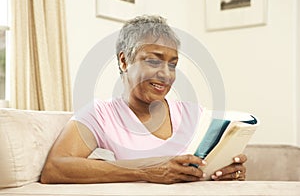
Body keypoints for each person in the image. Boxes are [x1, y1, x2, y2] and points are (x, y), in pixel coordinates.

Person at [40, 15, 247, 184]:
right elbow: (55, 168)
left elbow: (208, 172)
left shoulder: (195, 115)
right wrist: (145, 170)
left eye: (173, 64)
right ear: (124, 61)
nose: (166, 74)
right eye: (153, 61)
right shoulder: (101, 114)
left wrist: (228, 173)